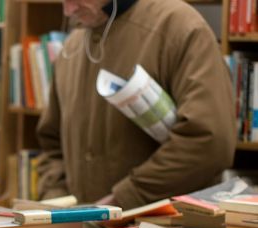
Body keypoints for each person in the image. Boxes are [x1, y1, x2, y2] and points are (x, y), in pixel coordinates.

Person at [36, 0, 236, 209]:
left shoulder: (178, 27)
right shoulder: (72, 47)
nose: (69, 11)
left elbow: (209, 141)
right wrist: (55, 204)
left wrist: (126, 197)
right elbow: (52, 146)